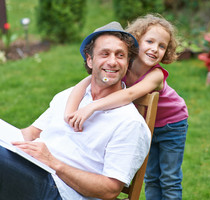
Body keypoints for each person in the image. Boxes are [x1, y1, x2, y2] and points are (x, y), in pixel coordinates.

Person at [0, 21, 151, 200]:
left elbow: (110, 190)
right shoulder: (70, 96)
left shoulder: (129, 122)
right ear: (89, 59)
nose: (112, 61)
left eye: (120, 55)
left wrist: (53, 162)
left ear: (127, 63)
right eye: (105, 54)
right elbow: (30, 133)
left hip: (63, 192)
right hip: (34, 171)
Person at [65, 14, 189, 200]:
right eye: (149, 41)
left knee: (169, 178)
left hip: (172, 126)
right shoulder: (122, 65)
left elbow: (130, 94)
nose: (155, 49)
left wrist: (92, 107)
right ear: (136, 42)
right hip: (148, 126)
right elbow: (86, 81)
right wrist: (71, 112)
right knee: (152, 177)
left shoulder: (156, 75)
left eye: (162, 46)